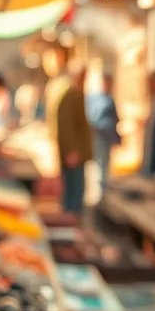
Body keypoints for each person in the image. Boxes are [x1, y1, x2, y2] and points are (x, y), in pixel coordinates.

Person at [56, 68, 93, 215]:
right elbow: (66, 126)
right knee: (75, 191)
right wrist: (71, 150)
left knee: (75, 189)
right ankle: (71, 223)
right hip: (74, 153)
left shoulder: (74, 95)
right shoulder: (72, 96)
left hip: (76, 151)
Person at [87, 72, 121, 199]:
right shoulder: (95, 99)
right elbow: (91, 118)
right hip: (99, 136)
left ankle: (104, 193)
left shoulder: (109, 98)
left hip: (107, 136)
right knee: (100, 165)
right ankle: (100, 194)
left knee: (105, 165)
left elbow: (115, 117)